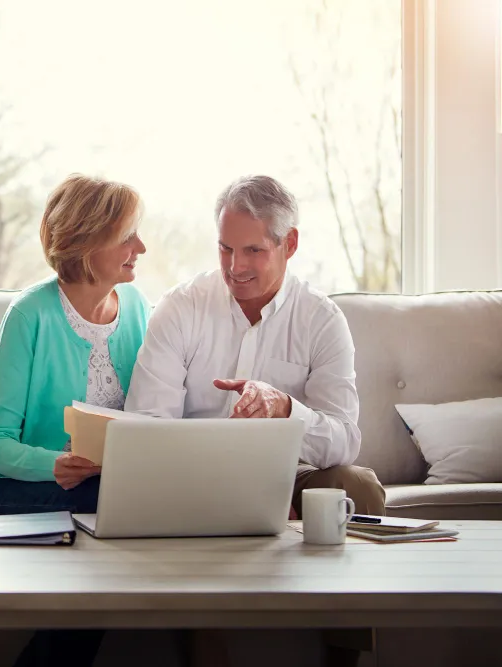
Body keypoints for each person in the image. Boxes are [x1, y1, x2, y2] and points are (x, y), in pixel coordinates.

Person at [125, 174, 384, 667]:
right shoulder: (182, 308)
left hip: (291, 477)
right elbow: (147, 426)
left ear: (290, 244)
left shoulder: (322, 319)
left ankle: (342, 658)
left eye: (253, 251)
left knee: (357, 485)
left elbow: (344, 439)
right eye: (225, 248)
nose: (234, 267)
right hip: (197, 481)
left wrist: (285, 408)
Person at [0, 173, 151, 667]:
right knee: (109, 508)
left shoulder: (138, 308)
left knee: (127, 510)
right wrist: (54, 464)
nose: (140, 248)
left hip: (98, 488)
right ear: (87, 241)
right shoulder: (29, 315)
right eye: (127, 236)